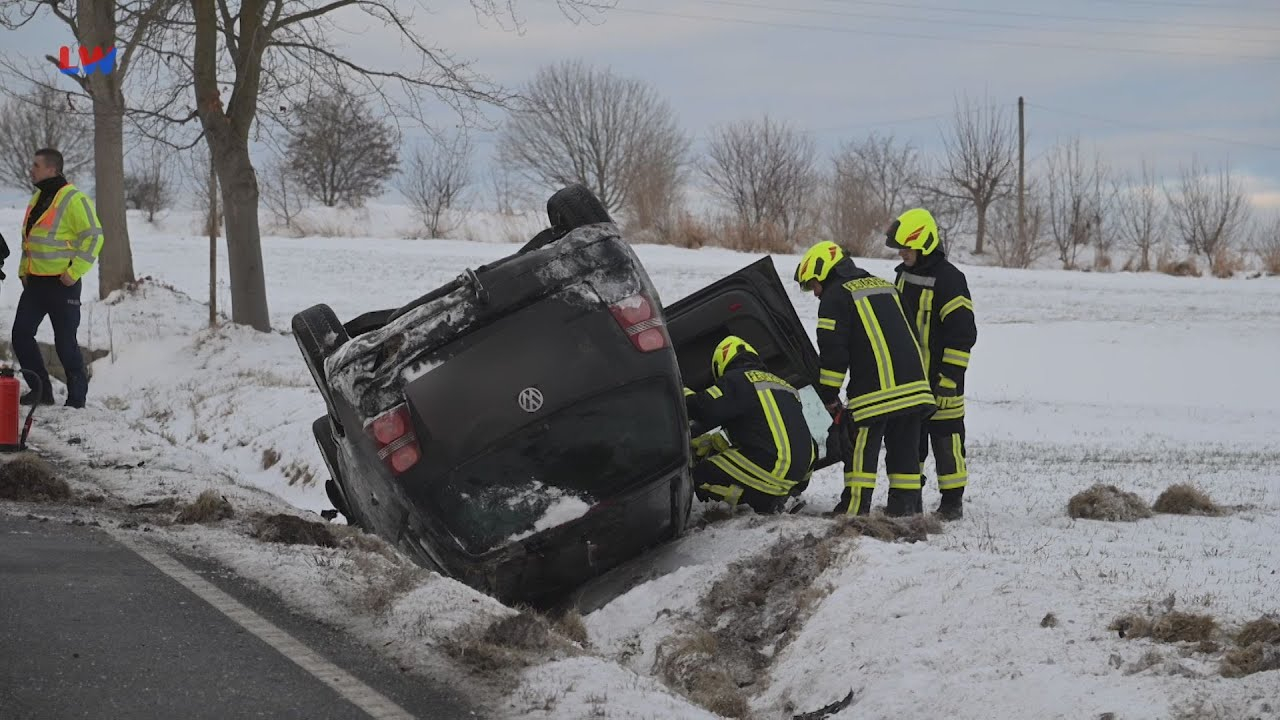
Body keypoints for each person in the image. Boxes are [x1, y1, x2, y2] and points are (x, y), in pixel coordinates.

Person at [794, 241, 935, 517]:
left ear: (824, 272)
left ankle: (853, 513)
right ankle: (906, 513)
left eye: (813, 285)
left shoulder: (835, 297)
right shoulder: (885, 285)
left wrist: (829, 396)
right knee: (905, 455)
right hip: (916, 389)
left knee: (859, 452)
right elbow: (912, 333)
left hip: (874, 394)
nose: (815, 294)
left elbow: (834, 355)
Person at [885, 208, 977, 520]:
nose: (901, 253)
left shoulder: (951, 280)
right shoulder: (901, 275)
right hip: (911, 381)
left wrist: (948, 379)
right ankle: (909, 501)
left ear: (923, 244)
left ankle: (952, 503)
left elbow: (963, 335)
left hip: (941, 380)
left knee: (947, 441)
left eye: (906, 248)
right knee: (910, 443)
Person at [684, 335, 816, 514]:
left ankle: (764, 502)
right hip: (799, 471)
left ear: (720, 363)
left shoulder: (736, 380)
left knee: (699, 476)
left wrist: (680, 393)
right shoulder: (783, 384)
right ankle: (788, 493)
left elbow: (705, 408)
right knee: (724, 451)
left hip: (772, 464)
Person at [13, 148, 104, 408]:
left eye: (36, 165)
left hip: (62, 285)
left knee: (65, 344)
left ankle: (76, 400)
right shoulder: (37, 198)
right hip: (35, 285)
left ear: (52, 169)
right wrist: (23, 271)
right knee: (20, 335)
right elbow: (29, 240)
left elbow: (94, 236)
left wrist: (74, 272)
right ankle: (41, 390)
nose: (31, 169)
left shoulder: (73, 199)